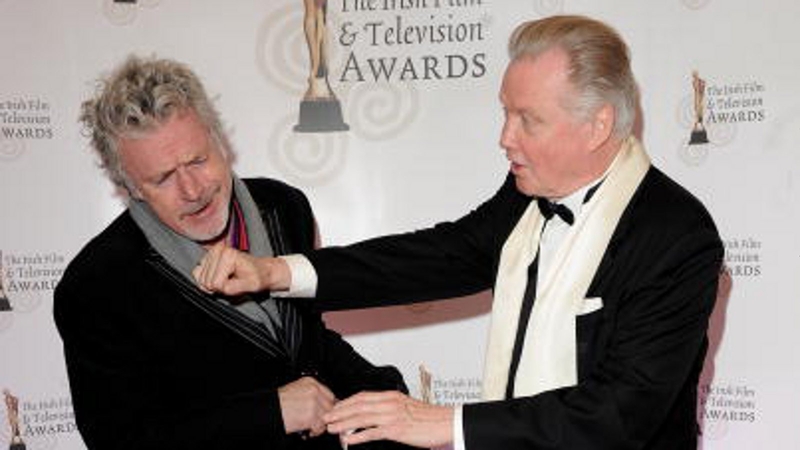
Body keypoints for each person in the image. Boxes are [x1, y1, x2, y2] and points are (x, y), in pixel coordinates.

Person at [194, 15, 724, 450]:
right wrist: (276, 270)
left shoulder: (676, 237)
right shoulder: (526, 193)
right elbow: (442, 255)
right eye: (504, 114)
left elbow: (618, 414)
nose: (504, 138)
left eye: (527, 119)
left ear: (599, 125)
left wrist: (443, 423)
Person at [53, 55, 413, 450]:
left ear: (220, 139)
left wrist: (386, 394)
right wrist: (271, 412)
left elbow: (307, 342)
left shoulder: (284, 206)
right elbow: (121, 440)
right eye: (163, 178)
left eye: (198, 160)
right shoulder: (97, 284)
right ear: (130, 187)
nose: (193, 190)